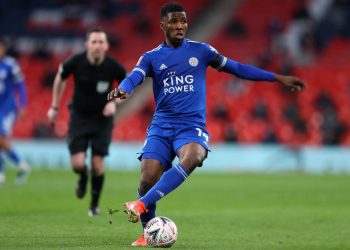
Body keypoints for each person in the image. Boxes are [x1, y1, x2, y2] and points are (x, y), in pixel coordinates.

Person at [107, 2, 307, 246]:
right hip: (162, 126)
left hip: (191, 126)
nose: (179, 26)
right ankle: (148, 233)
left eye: (183, 21)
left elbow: (237, 68)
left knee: (194, 156)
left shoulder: (202, 51)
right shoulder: (151, 57)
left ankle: (140, 204)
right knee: (147, 179)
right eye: (173, 21)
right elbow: (134, 76)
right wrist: (123, 90)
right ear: (162, 25)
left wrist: (276, 77)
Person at [47, 27, 126, 216]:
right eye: (94, 42)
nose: (97, 46)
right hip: (79, 117)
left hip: (102, 119)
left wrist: (114, 103)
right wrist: (55, 106)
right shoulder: (76, 61)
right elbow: (60, 77)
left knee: (98, 165)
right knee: (77, 164)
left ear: (106, 46)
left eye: (101, 42)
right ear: (87, 45)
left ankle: (94, 205)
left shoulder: (113, 67)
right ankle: (82, 176)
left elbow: (127, 86)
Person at [0, 38, 30, 186]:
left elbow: (21, 86)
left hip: (6, 109)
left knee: (0, 138)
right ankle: (12, 168)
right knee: (1, 142)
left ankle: (19, 163)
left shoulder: (11, 65)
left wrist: (23, 105)